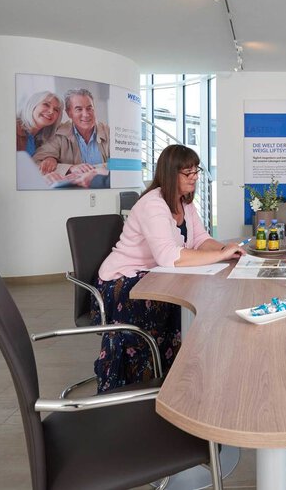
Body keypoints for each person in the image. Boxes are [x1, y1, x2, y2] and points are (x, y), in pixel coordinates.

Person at [93, 144, 245, 392]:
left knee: (182, 297)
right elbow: (167, 256)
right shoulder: (152, 205)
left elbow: (200, 240)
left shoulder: (185, 204)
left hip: (154, 274)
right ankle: (138, 384)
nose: (195, 177)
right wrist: (221, 255)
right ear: (170, 173)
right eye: (189, 173)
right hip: (123, 281)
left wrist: (227, 250)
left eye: (196, 171)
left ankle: (170, 374)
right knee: (165, 302)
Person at [33, 88, 110, 186]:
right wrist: (69, 168)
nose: (86, 114)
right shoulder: (58, 134)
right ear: (69, 113)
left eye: (89, 108)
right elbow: (35, 164)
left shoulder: (109, 133)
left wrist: (94, 171)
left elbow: (122, 163)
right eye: (79, 109)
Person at [15, 90, 62, 155]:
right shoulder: (13, 128)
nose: (51, 111)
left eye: (56, 110)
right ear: (33, 105)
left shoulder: (43, 137)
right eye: (46, 104)